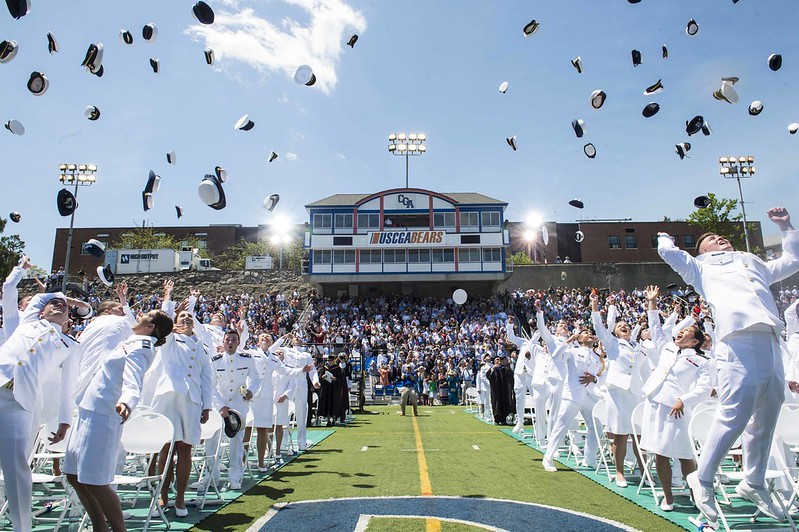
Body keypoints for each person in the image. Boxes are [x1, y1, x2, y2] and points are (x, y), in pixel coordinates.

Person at [657, 206, 799, 523]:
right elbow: (671, 255)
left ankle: (754, 480)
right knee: (735, 413)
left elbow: (792, 262)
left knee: (767, 414)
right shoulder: (700, 268)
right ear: (702, 251)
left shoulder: (753, 262)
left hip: (770, 338)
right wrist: (665, 237)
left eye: (720, 236)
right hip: (738, 339)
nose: (718, 238)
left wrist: (787, 227)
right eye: (710, 238)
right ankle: (702, 478)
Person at [64, 310, 173, 532]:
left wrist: (127, 402)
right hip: (88, 408)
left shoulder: (142, 348)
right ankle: (99, 527)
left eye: (146, 315)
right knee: (74, 475)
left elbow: (134, 378)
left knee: (95, 480)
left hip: (103, 414)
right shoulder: (133, 340)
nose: (140, 315)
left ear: (150, 327)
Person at [0, 292, 79, 532]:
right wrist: (65, 297)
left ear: (68, 319)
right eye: (54, 303)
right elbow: (40, 297)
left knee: (15, 470)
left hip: (19, 402)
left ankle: (21, 528)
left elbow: (68, 386)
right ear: (41, 311)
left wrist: (65, 420)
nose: (59, 305)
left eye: (64, 307)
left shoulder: (70, 345)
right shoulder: (30, 321)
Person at [640, 285, 712, 512]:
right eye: (681, 330)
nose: (681, 332)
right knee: (660, 452)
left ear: (694, 342)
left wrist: (684, 399)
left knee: (684, 455)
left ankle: (697, 496)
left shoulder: (701, 361)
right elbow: (656, 329)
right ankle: (668, 496)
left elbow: (704, 388)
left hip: (678, 408)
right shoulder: (668, 348)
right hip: (655, 403)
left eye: (688, 331)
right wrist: (652, 303)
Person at [149, 281, 214, 517]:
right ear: (175, 322)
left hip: (191, 401)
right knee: (166, 448)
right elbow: (160, 325)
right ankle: (163, 495)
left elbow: (207, 378)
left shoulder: (202, 347)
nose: (186, 319)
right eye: (182, 316)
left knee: (185, 449)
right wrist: (168, 299)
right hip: (168, 398)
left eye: (190, 316)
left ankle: (180, 498)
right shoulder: (169, 340)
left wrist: (206, 405)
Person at [591, 292, 647, 488]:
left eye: (627, 325)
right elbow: (599, 328)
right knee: (621, 433)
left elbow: (643, 370)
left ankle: (644, 471)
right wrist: (595, 307)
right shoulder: (613, 344)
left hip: (635, 392)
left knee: (639, 434)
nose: (624, 326)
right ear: (614, 332)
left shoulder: (637, 346)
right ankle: (619, 471)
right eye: (619, 325)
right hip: (618, 392)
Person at [542, 328, 604, 472]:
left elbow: (602, 376)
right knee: (561, 426)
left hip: (590, 396)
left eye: (590, 332)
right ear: (579, 338)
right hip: (573, 395)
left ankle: (589, 459)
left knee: (596, 426)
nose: (589, 333)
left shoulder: (597, 357)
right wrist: (568, 341)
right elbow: (556, 357)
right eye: (585, 332)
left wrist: (594, 379)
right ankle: (548, 458)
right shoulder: (573, 351)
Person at [210, 328, 262, 490]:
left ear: (239, 343)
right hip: (221, 403)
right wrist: (220, 406)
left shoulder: (247, 359)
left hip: (239, 403)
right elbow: (211, 386)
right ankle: (211, 475)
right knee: (212, 440)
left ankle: (235, 477)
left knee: (236, 441)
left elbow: (256, 378)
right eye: (228, 340)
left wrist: (251, 392)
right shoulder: (215, 360)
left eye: (234, 340)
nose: (230, 342)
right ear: (223, 342)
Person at [486, 355, 514, 425]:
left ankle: (504, 419)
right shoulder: (493, 369)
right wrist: (493, 368)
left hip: (504, 391)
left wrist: (507, 365)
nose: (498, 361)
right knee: (496, 404)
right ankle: (497, 419)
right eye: (497, 360)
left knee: (505, 403)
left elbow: (511, 376)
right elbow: (488, 376)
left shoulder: (505, 368)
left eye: (499, 360)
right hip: (496, 391)